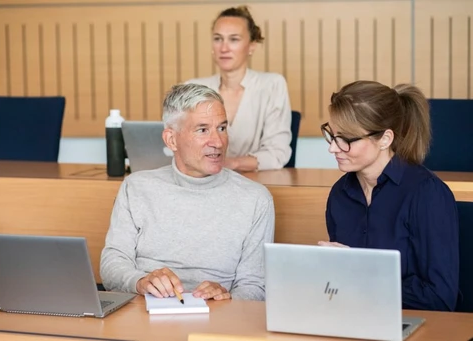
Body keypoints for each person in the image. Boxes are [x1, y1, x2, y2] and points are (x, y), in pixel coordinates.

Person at [100, 83, 275, 301]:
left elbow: (255, 285)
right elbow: (112, 264)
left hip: (216, 322)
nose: (218, 142)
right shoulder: (136, 187)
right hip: (143, 314)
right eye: (203, 130)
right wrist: (140, 282)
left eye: (222, 128)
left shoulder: (256, 199)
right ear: (171, 140)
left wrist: (228, 298)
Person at [318, 80, 459, 311]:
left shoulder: (427, 194)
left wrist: (360, 273)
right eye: (332, 135)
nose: (333, 148)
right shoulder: (339, 195)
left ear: (385, 139)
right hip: (355, 319)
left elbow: (440, 297)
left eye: (346, 140)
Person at [186, 6, 292, 171]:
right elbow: (180, 146)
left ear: (251, 46)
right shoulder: (191, 89)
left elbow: (277, 154)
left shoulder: (272, 85)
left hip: (255, 183)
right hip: (201, 182)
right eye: (218, 38)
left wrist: (232, 163)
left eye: (233, 39)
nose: (224, 48)